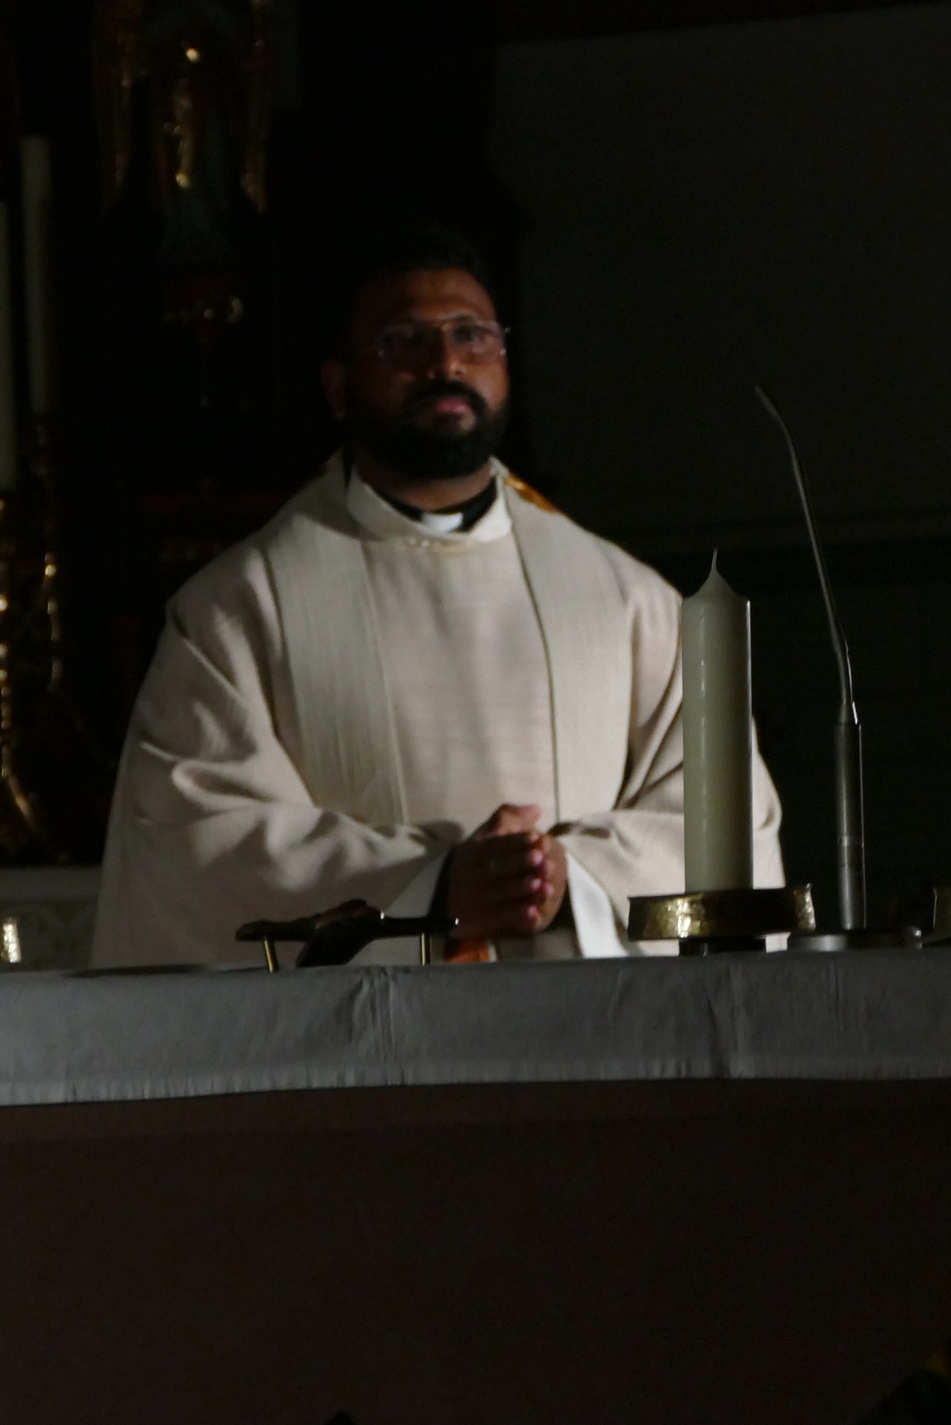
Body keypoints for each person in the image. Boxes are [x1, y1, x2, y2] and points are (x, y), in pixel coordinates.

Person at [92, 223, 783, 965]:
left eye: (471, 336)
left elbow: (719, 821)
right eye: (403, 341)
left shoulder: (629, 601)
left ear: (505, 363)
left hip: (587, 1016)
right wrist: (433, 888)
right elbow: (196, 836)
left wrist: (569, 880)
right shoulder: (239, 610)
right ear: (338, 386)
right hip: (363, 1030)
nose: (446, 362)